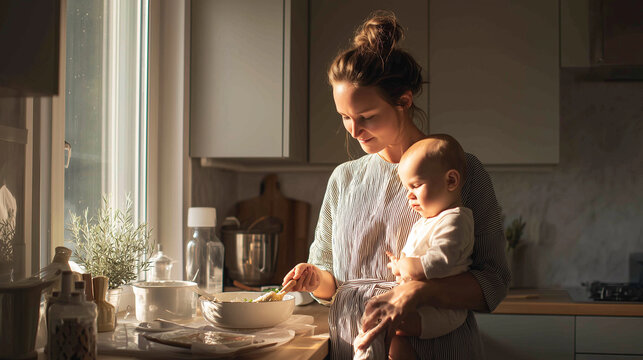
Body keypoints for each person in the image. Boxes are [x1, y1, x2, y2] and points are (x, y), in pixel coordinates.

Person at [282, 10, 510, 359]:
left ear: (403, 101)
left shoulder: (461, 171)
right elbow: (331, 286)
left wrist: (418, 293)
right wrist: (315, 279)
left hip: (436, 348)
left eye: (367, 117)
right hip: (354, 346)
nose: (354, 131)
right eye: (344, 117)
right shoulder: (344, 179)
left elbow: (492, 282)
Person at [353, 134, 474, 359]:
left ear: (451, 181)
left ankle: (364, 350)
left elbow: (440, 263)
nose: (409, 195)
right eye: (406, 187)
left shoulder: (455, 220)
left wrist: (406, 266)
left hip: (441, 311)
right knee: (391, 331)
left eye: (416, 186)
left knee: (386, 322)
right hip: (425, 305)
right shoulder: (428, 221)